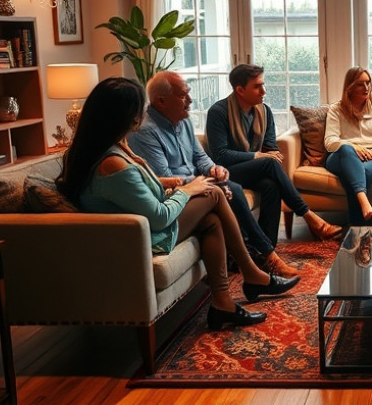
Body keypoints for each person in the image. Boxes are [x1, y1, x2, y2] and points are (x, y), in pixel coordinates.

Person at [56, 78, 299, 331]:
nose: (143, 113)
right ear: (125, 116)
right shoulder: (112, 162)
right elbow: (159, 217)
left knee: (211, 220)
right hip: (142, 236)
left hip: (142, 225)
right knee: (215, 194)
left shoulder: (112, 149)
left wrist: (166, 182)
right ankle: (252, 273)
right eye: (139, 108)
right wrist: (186, 189)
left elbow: (135, 186)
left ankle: (223, 303)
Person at [127, 71, 298, 278]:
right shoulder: (146, 131)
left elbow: (200, 157)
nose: (190, 100)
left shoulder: (183, 119)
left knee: (268, 183)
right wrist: (208, 180)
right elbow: (167, 177)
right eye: (183, 95)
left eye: (188, 93)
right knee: (234, 187)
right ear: (161, 101)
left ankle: (263, 252)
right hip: (175, 193)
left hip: (198, 182)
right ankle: (268, 253)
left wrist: (213, 169)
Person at [205, 64, 341, 241]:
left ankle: (266, 248)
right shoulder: (218, 113)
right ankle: (310, 217)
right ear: (240, 89)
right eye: (257, 86)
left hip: (250, 170)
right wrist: (257, 156)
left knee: (271, 185)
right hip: (227, 173)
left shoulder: (264, 112)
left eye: (263, 84)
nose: (264, 91)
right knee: (268, 162)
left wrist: (268, 156)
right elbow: (220, 156)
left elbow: (271, 149)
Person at [324, 67, 372, 225]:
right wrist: (353, 146)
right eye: (360, 84)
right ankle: (364, 202)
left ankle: (356, 230)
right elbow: (330, 142)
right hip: (341, 156)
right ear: (350, 87)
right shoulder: (336, 109)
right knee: (347, 150)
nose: (366, 87)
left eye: (368, 83)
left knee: (359, 173)